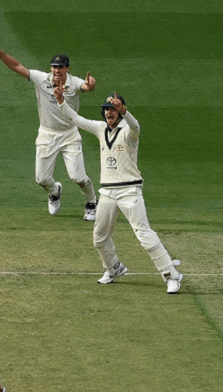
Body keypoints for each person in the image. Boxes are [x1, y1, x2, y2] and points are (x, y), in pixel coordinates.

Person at [54, 88, 185, 293]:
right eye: (106, 109)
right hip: (107, 191)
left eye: (113, 109)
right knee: (99, 236)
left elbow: (136, 125)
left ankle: (171, 275)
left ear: (120, 111)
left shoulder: (129, 131)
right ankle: (113, 268)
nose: (109, 112)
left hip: (130, 190)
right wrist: (61, 101)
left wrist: (124, 111)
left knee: (144, 234)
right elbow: (76, 119)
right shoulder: (100, 128)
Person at [0, 38, 99, 221]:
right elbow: (16, 66)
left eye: (60, 67)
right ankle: (54, 192)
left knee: (79, 177)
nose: (56, 70)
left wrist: (90, 86)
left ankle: (92, 203)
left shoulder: (74, 83)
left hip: (69, 134)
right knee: (42, 179)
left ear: (67, 68)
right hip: (47, 134)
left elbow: (86, 87)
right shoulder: (40, 78)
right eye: (54, 67)